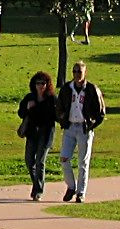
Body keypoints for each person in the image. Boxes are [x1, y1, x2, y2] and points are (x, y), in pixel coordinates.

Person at [55, 60, 106, 202]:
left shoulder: (91, 89)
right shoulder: (67, 89)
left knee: (83, 162)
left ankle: (80, 193)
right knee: (64, 159)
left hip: (84, 128)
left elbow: (101, 111)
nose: (77, 74)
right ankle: (71, 186)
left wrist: (92, 125)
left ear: (85, 73)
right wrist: (62, 118)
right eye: (75, 71)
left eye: (79, 71)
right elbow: (59, 107)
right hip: (70, 127)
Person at [17, 71, 57, 200]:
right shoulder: (29, 98)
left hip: (45, 134)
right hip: (32, 133)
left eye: (43, 83)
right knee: (29, 161)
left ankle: (38, 191)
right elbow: (21, 113)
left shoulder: (51, 99)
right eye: (38, 83)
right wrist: (27, 107)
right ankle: (36, 184)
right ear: (34, 85)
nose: (40, 86)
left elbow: (55, 116)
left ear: (47, 84)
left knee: (40, 161)